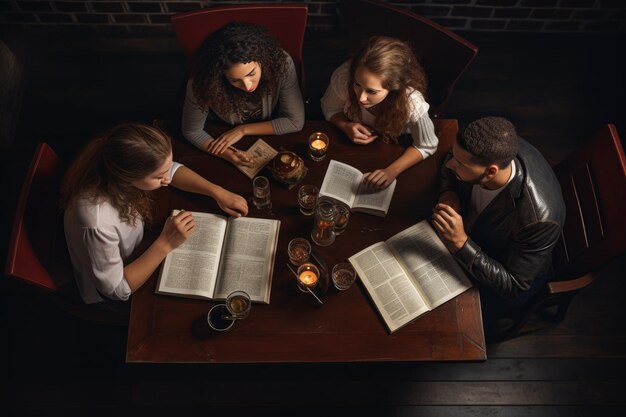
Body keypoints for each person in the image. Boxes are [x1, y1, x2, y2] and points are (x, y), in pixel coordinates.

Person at [62, 123, 249, 307]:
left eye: (165, 171)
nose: (167, 179)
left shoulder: (117, 168)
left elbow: (171, 169)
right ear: (128, 176)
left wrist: (217, 192)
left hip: (141, 244)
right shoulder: (97, 220)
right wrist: (166, 243)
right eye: (159, 177)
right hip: (123, 280)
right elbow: (116, 290)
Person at [431, 116, 565, 334]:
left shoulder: (538, 220)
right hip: (474, 234)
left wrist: (461, 244)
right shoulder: (489, 147)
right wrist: (449, 191)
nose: (449, 164)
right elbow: (451, 157)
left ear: (490, 172)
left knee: (446, 325)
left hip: (502, 270)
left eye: (460, 164)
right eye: (455, 157)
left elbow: (514, 285)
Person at [320, 36, 438, 190]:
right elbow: (330, 107)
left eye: (371, 91)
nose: (361, 97)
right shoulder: (345, 77)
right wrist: (346, 125)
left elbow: (427, 145)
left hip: (395, 147)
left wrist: (392, 171)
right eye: (357, 84)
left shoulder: (411, 102)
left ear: (394, 88)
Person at [182, 22, 305, 167]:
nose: (247, 86)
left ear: (262, 59)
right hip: (219, 130)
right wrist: (229, 155)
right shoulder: (202, 81)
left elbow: (295, 122)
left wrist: (243, 130)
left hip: (267, 132)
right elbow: (192, 131)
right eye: (235, 80)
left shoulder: (281, 63)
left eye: (251, 73)